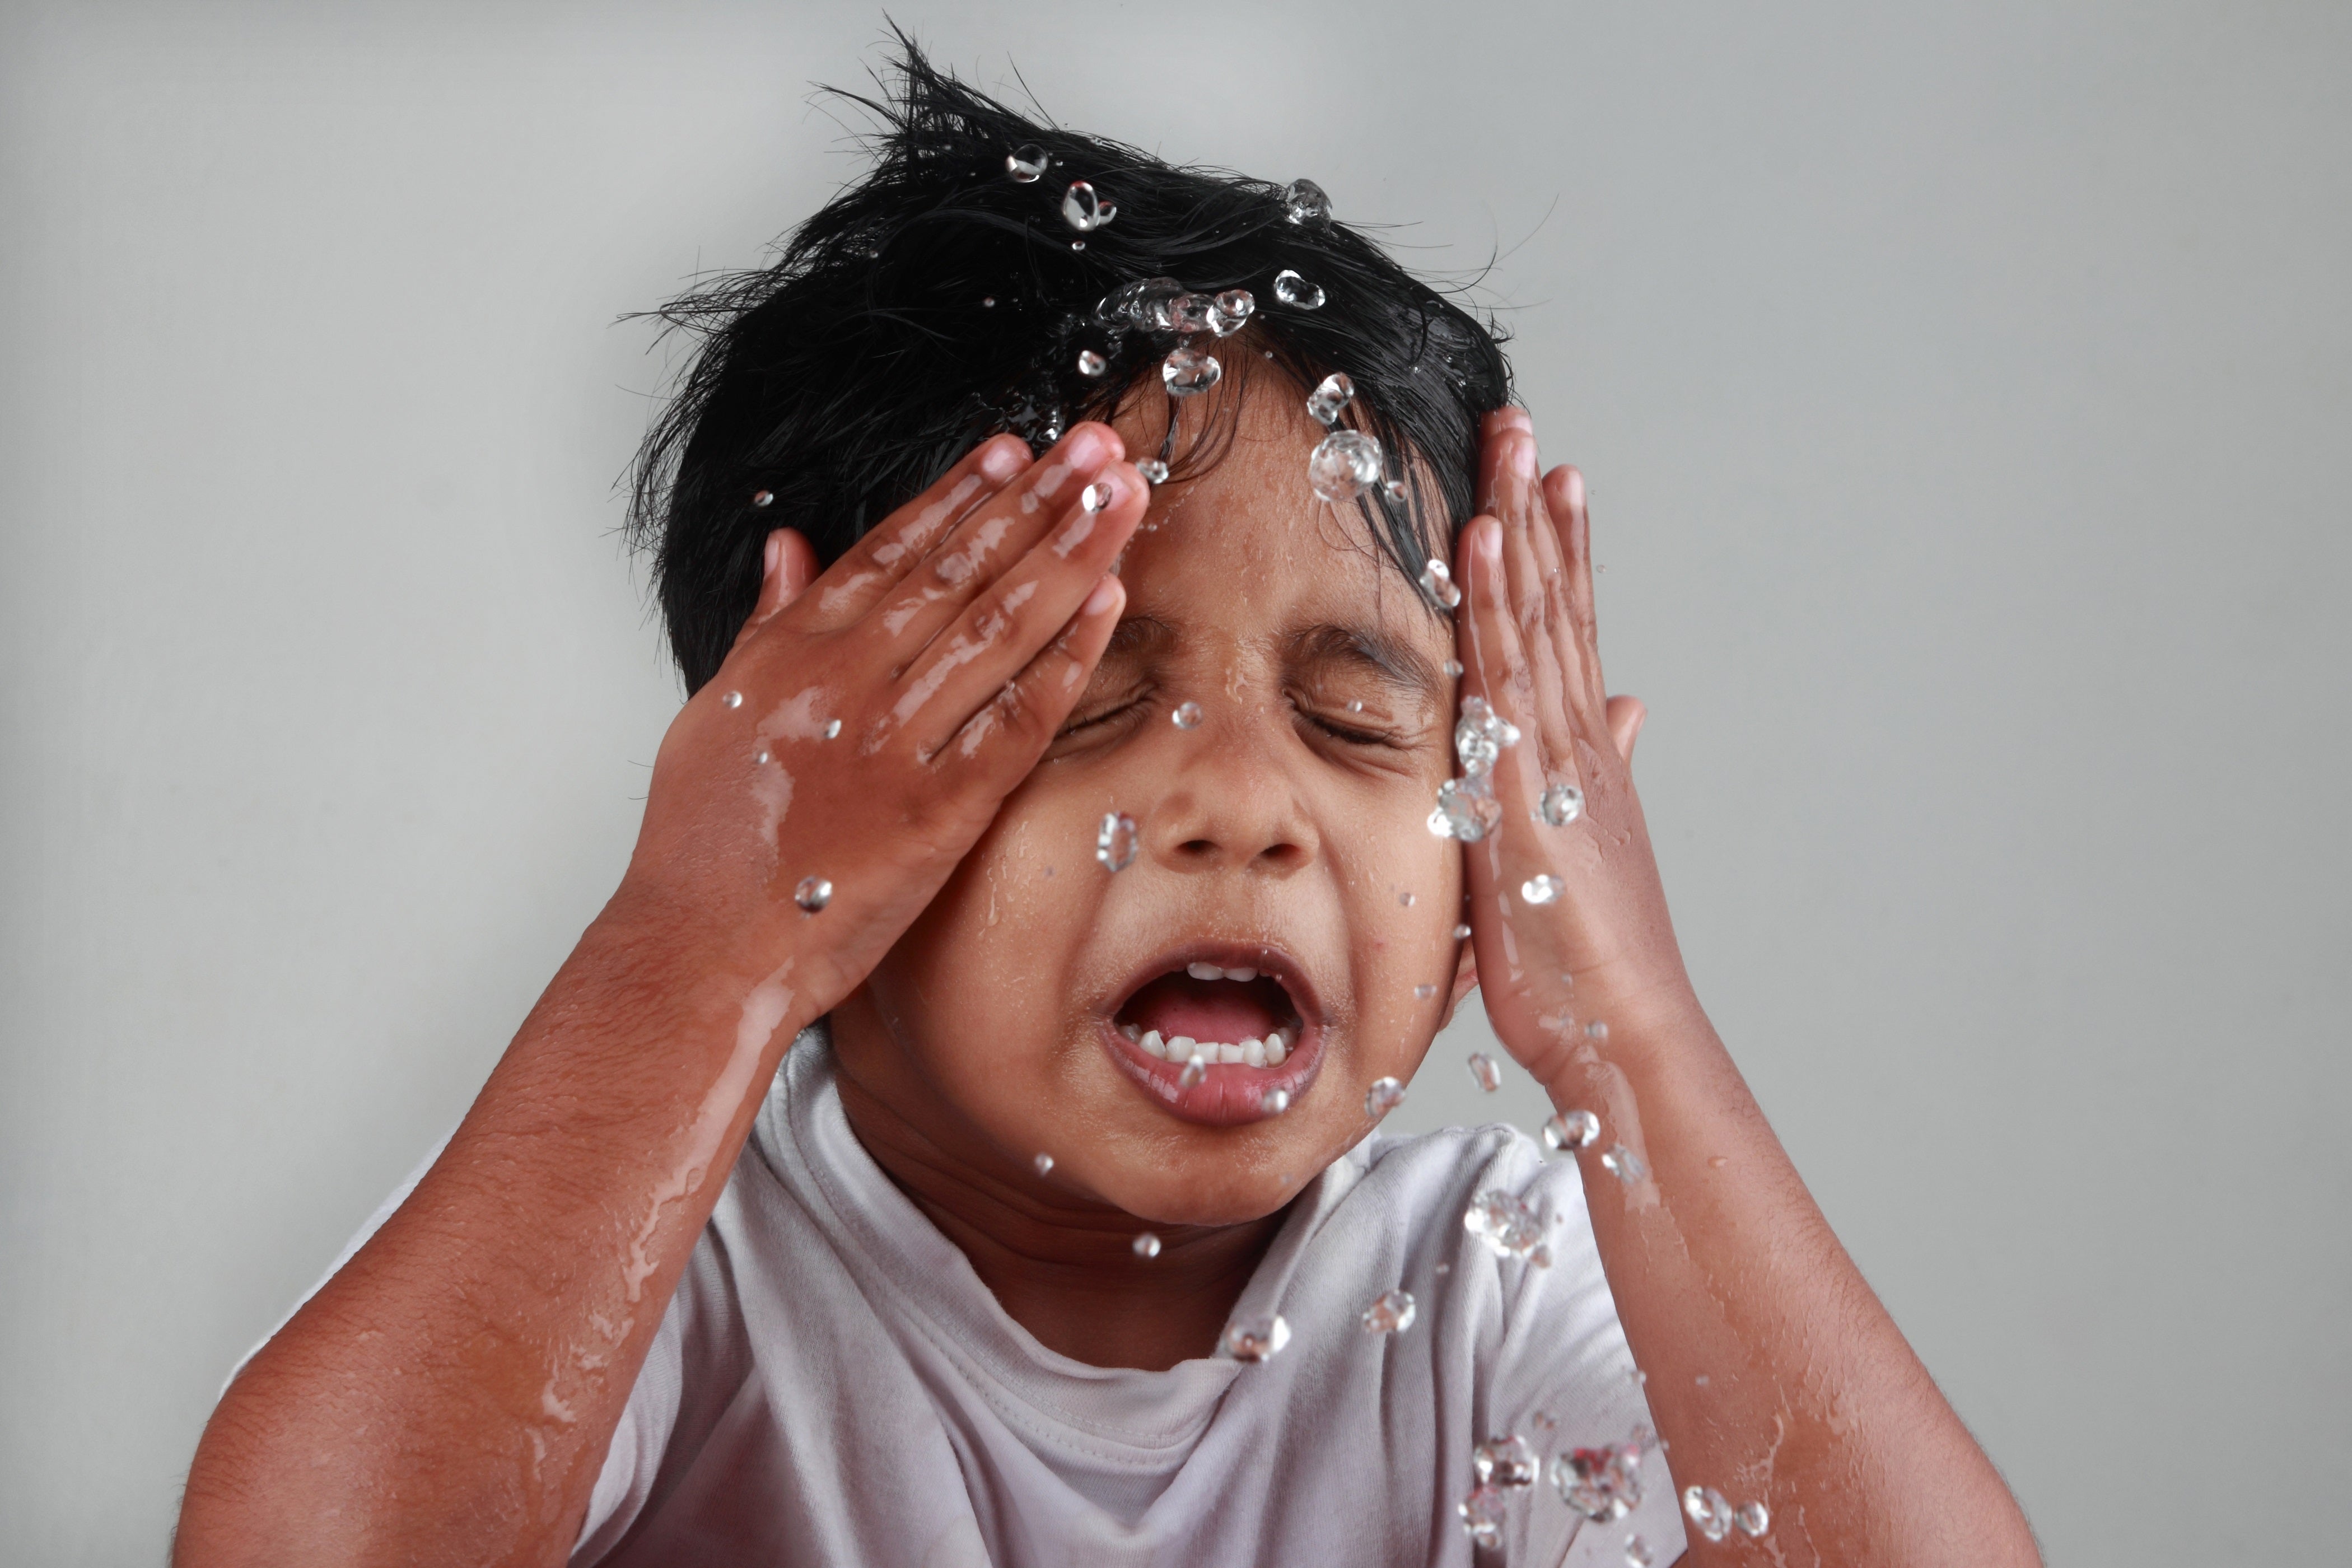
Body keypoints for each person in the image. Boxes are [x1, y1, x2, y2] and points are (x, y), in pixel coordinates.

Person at [174, 40, 2040, 1568]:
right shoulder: (665, 1259)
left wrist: (1632, 1035)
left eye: (1361, 722)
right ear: (812, 804)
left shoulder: (1488, 1294)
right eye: (1084, 702)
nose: (1246, 808)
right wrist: (701, 943)